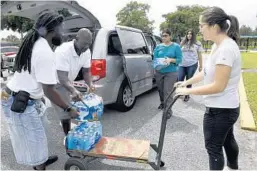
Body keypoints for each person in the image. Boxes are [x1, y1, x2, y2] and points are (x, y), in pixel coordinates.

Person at [1, 12, 79, 170]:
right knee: (34, 141)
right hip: (20, 102)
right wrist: (68, 108)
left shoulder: (36, 43)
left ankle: (40, 159)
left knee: (39, 134)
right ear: (52, 30)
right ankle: (39, 165)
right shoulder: (44, 52)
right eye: (61, 29)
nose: (62, 33)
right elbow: (49, 90)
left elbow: (39, 78)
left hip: (23, 96)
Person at [175, 7, 241, 170]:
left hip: (221, 110)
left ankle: (232, 167)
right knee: (227, 139)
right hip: (226, 108)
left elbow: (218, 86)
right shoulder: (217, 46)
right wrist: (185, 82)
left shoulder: (226, 48)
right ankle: (233, 167)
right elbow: (205, 73)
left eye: (201, 25)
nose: (199, 29)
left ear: (214, 26)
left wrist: (188, 91)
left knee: (213, 148)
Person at [53, 28, 94, 136]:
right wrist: (73, 90)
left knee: (72, 106)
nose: (86, 47)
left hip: (68, 80)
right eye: (84, 44)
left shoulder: (86, 51)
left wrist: (90, 84)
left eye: (89, 44)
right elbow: (62, 78)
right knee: (66, 111)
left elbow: (86, 71)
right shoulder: (63, 51)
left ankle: (67, 123)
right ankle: (68, 138)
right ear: (76, 39)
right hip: (56, 82)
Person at [153, 29, 182, 117]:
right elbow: (155, 59)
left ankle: (168, 110)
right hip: (159, 72)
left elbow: (180, 60)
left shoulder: (176, 47)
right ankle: (163, 103)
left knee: (167, 91)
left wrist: (171, 60)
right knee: (161, 90)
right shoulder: (158, 47)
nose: (164, 37)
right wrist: (157, 64)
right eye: (162, 36)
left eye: (165, 35)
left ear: (170, 36)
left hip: (171, 72)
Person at [178, 29, 203, 102]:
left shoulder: (197, 43)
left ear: (193, 35)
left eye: (191, 34)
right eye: (188, 34)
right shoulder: (183, 42)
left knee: (189, 80)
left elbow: (200, 55)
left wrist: (201, 66)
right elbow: (178, 52)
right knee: (180, 79)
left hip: (192, 64)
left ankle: (187, 95)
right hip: (182, 64)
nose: (189, 35)